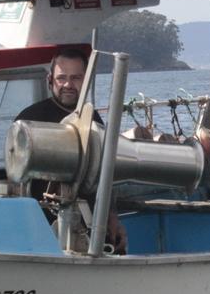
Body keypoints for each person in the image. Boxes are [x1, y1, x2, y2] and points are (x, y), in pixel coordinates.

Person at [15, 48, 128, 255]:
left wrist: (112, 218)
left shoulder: (92, 119)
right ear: (50, 80)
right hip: (45, 229)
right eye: (61, 78)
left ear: (86, 80)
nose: (68, 85)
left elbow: (105, 173)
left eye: (76, 78)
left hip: (92, 226)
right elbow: (16, 180)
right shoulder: (29, 121)